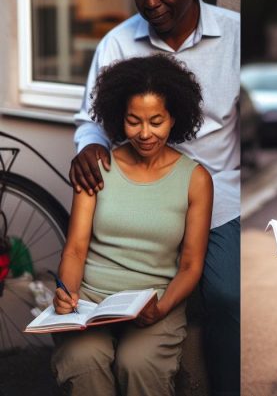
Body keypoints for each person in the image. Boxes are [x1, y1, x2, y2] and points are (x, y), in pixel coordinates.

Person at [69, 0, 240, 395]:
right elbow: (90, 121)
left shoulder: (235, 36)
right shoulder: (117, 43)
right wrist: (88, 146)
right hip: (140, 188)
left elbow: (251, 129)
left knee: (228, 293)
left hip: (219, 195)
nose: (151, 2)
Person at [52, 55, 213, 395]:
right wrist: (67, 295)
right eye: (133, 121)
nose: (144, 134)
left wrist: (163, 307)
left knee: (138, 364)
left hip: (154, 302)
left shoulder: (195, 179)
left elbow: (190, 264)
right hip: (92, 304)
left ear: (174, 118)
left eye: (156, 121)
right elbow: (76, 248)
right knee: (83, 360)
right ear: (118, 118)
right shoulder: (97, 166)